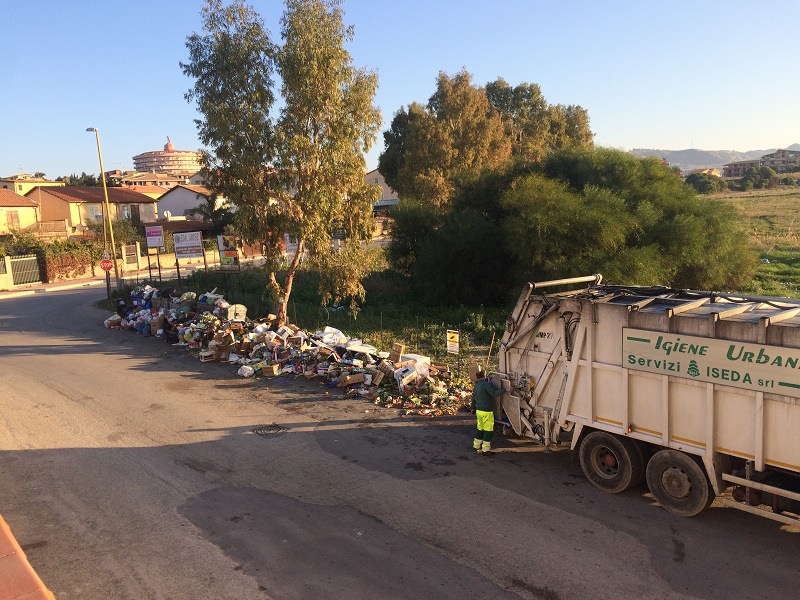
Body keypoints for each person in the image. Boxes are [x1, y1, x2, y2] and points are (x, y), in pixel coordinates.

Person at [471, 369, 504, 455]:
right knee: (488, 431)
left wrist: (473, 408)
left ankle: (476, 447)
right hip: (487, 411)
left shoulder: (476, 386)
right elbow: (494, 393)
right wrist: (505, 390)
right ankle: (485, 451)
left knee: (480, 429)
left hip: (479, 411)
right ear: (484, 376)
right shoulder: (486, 385)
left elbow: (473, 398)